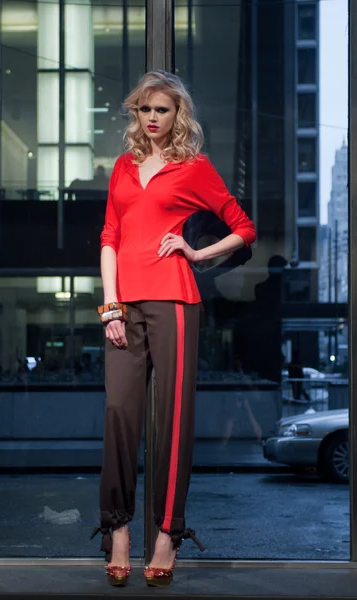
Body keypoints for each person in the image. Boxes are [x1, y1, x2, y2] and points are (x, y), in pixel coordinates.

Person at [91, 70, 256, 587]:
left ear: (177, 114)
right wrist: (110, 307)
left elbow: (243, 227)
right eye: (145, 109)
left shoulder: (194, 167)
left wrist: (196, 251)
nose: (153, 118)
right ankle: (117, 528)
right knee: (120, 412)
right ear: (136, 115)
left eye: (162, 109)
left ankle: (167, 534)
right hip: (126, 305)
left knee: (173, 422)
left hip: (177, 301)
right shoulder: (122, 167)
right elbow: (110, 237)